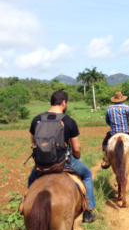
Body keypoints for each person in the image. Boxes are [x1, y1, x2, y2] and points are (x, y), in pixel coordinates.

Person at [28, 91, 97, 223]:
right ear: (64, 102)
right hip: (63, 163)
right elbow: (76, 148)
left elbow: (34, 144)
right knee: (87, 174)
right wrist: (77, 158)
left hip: (42, 164)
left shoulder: (36, 120)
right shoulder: (68, 121)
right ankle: (89, 210)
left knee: (31, 180)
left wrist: (40, 161)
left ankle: (25, 206)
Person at [101, 91, 129, 169]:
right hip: (125, 131)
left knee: (104, 143)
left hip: (113, 132)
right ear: (122, 99)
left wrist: (112, 126)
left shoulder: (109, 108)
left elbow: (107, 120)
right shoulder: (127, 107)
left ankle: (107, 159)